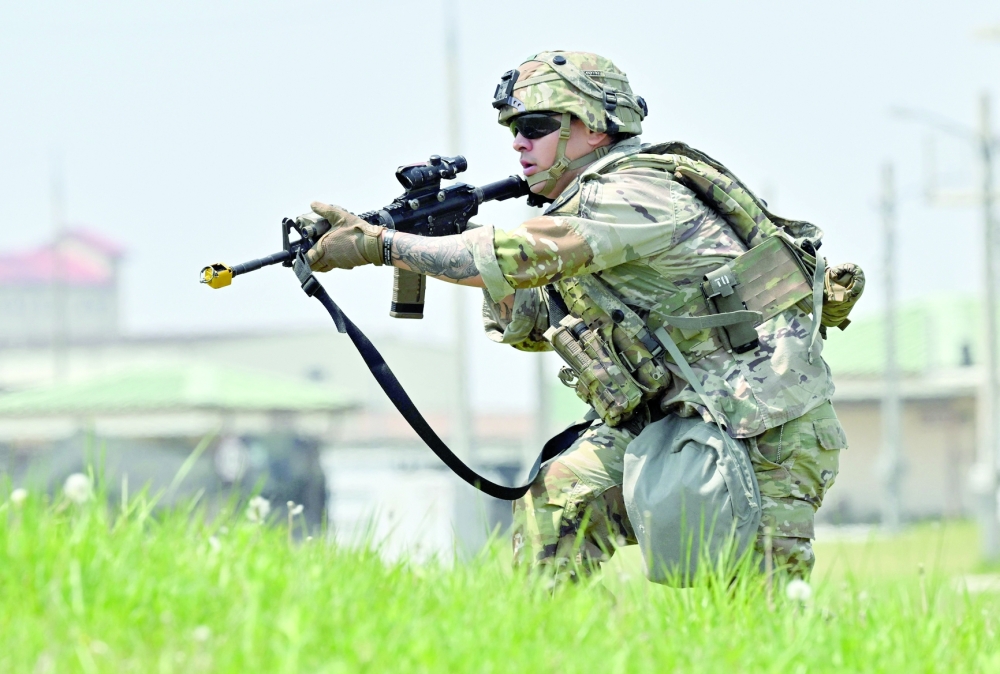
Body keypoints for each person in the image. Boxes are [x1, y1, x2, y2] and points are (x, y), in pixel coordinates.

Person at [303, 51, 860, 582]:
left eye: (538, 125)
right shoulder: (575, 210)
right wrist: (438, 240)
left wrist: (382, 245)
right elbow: (530, 323)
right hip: (671, 414)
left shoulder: (636, 189)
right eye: (514, 129)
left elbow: (515, 257)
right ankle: (538, 644)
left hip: (763, 425)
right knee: (559, 502)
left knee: (756, 606)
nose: (520, 142)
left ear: (593, 127)